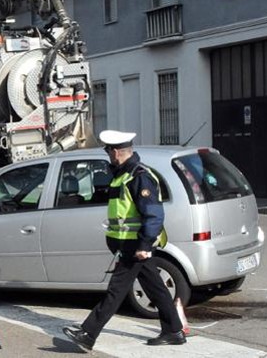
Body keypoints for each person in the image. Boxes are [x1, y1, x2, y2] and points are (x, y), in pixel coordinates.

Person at [62, 130, 185, 350]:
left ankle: (88, 334)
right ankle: (174, 330)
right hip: (129, 245)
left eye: (108, 151)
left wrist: (145, 246)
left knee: (115, 291)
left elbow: (154, 215)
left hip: (135, 246)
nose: (108, 155)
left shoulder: (139, 177)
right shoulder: (123, 176)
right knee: (155, 288)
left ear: (117, 152)